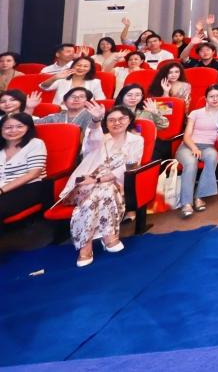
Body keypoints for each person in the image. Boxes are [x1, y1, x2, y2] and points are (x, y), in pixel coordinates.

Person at [63, 104, 143, 267]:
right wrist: (96, 120)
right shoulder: (100, 137)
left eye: (122, 119)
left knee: (100, 194)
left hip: (114, 182)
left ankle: (86, 246)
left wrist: (99, 180)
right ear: (105, 123)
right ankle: (107, 237)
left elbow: (130, 166)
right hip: (86, 181)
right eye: (111, 120)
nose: (117, 123)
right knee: (99, 194)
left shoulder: (136, 140)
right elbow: (93, 139)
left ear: (129, 120)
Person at [174, 85, 218, 219]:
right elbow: (186, 136)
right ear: (206, 98)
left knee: (212, 156)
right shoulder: (196, 113)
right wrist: (194, 148)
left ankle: (199, 196)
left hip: (208, 147)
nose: (215, 99)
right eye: (211, 96)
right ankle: (186, 203)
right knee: (191, 163)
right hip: (188, 146)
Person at [0, 112, 50, 219]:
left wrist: (2, 190)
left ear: (28, 128)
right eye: (8, 127)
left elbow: (33, 174)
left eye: (19, 126)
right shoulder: (1, 147)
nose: (13, 130)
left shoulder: (35, 143)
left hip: (29, 186)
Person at [39, 57, 104, 105]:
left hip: (84, 113)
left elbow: (101, 100)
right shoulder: (63, 79)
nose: (81, 68)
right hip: (60, 111)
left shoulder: (95, 82)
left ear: (90, 69)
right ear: (73, 66)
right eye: (79, 65)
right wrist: (55, 77)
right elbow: (43, 87)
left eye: (85, 66)